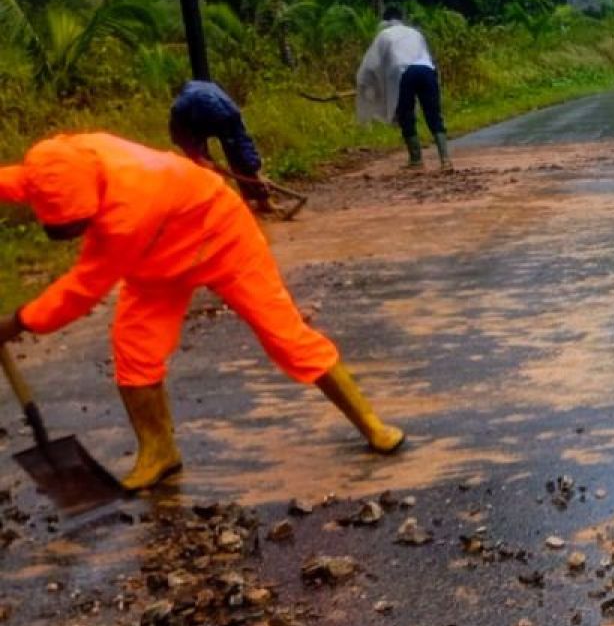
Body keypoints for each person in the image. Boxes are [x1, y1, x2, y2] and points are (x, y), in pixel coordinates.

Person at [0, 133, 405, 491]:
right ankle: (159, 453)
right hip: (155, 259)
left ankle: (371, 424)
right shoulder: (57, 168)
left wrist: (17, 323)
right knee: (135, 351)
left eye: (78, 227)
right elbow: (12, 181)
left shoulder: (128, 211)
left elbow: (83, 290)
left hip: (220, 236)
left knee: (284, 334)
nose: (73, 235)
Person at [356, 9, 452, 170]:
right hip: (427, 71)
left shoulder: (384, 35)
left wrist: (365, 83)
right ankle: (445, 160)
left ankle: (416, 159)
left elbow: (371, 65)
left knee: (406, 114)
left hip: (404, 74)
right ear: (402, 19)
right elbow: (426, 55)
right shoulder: (415, 33)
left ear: (385, 21)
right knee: (433, 114)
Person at [169, 80, 277, 216]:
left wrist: (255, 171)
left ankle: (261, 199)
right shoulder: (181, 110)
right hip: (193, 117)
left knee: (239, 157)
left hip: (217, 112)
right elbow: (180, 137)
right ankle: (211, 204)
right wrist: (198, 157)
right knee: (203, 167)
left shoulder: (230, 114)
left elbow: (242, 145)